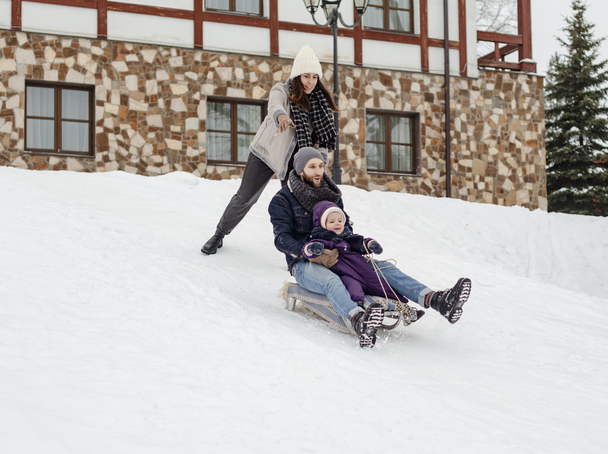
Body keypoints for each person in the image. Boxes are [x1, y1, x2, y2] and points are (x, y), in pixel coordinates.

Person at [268, 146, 472, 349]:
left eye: (321, 165)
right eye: (312, 167)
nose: (318, 171)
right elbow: (281, 239)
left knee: (385, 269)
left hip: (342, 257)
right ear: (300, 170)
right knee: (331, 281)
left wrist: (360, 245)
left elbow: (345, 228)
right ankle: (357, 321)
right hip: (304, 264)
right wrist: (311, 254)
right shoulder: (283, 199)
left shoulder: (332, 195)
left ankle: (437, 300)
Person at [201, 45, 337, 255]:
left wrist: (320, 162)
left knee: (298, 204)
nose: (310, 81)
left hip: (296, 161)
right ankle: (219, 234)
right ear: (297, 75)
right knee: (245, 197)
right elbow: (275, 106)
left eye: (314, 77)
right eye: (306, 76)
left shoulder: (320, 106)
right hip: (266, 152)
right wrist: (281, 117)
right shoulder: (281, 90)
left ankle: (298, 250)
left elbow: (321, 140)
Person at [303, 200, 413, 308]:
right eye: (331, 222)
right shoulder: (324, 240)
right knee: (353, 288)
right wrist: (312, 249)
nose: (337, 224)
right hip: (345, 275)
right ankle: (359, 307)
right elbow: (307, 249)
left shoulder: (348, 237)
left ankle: (403, 305)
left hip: (363, 272)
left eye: (340, 221)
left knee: (381, 286)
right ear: (323, 224)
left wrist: (370, 244)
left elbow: (361, 242)